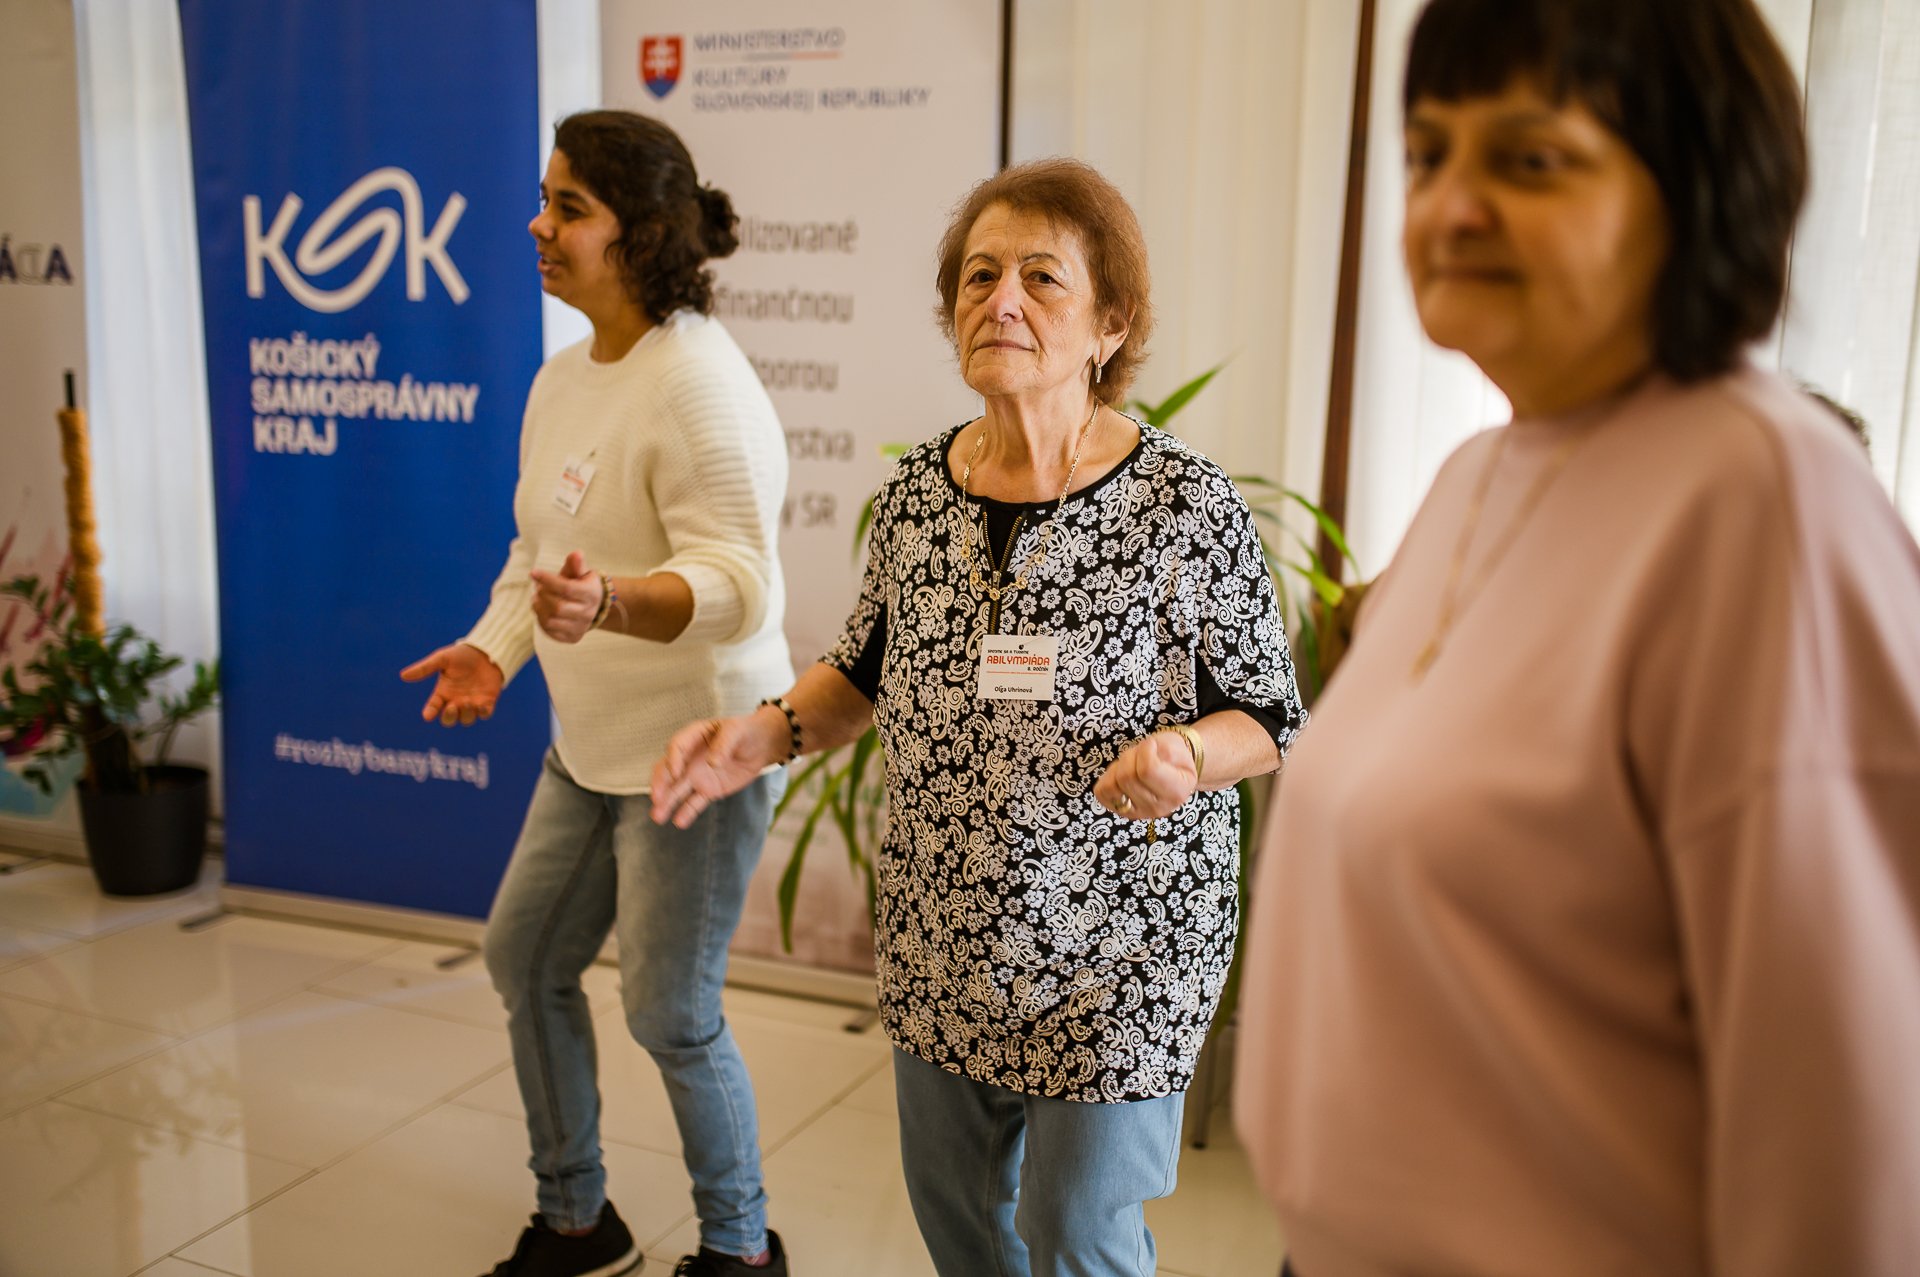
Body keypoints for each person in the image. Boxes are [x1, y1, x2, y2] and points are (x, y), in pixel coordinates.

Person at [1234, 2, 1920, 1275]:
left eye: (1530, 159)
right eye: (1429, 153)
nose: (1450, 206)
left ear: (1698, 187)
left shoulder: (1760, 496)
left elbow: (1838, 1101)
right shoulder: (1480, 471)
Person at [652, 158, 1305, 1277]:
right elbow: (862, 670)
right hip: (943, 930)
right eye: (979, 275)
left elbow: (1270, 713)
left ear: (1110, 325)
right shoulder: (919, 491)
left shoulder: (1184, 503)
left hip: (1124, 944)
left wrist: (1189, 752)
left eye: (1042, 278)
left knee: (1079, 1232)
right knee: (959, 1222)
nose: (1001, 299)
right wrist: (761, 732)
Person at [400, 110, 793, 1277]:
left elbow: (740, 586)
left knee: (670, 1010)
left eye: (569, 207)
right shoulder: (564, 376)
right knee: (525, 957)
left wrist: (611, 601)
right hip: (589, 744)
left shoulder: (699, 384)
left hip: (696, 753)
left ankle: (740, 1248)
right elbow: (542, 554)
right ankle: (578, 1219)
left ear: (645, 235)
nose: (538, 225)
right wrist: (495, 648)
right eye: (544, 199)